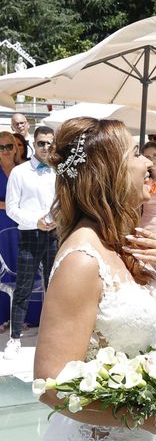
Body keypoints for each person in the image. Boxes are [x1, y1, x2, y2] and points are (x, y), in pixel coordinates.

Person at [33, 117, 156, 440]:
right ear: (109, 171)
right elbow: (49, 386)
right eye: (136, 153)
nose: (147, 164)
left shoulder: (133, 242)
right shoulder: (82, 261)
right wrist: (145, 417)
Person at [3, 125, 58, 359]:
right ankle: (15, 338)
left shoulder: (60, 171)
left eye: (49, 143)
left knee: (55, 288)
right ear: (33, 144)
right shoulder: (20, 172)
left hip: (55, 235)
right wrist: (35, 221)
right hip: (30, 235)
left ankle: (54, 336)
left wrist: (58, 220)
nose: (46, 147)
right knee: (23, 288)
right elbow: (12, 209)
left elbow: (64, 203)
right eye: (41, 143)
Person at [0, 132, 19, 332]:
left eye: (8, 146)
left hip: (21, 226)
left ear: (15, 147)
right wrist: (8, 205)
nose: (5, 151)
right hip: (1, 225)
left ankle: (24, 317)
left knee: (22, 269)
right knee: (2, 269)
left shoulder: (23, 170)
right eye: (1, 147)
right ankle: (1, 317)